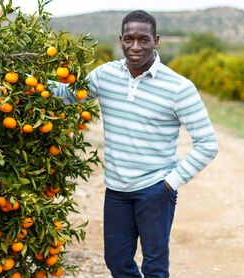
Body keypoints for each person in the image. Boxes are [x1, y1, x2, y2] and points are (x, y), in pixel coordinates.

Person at [52, 10, 219, 278]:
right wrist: (27, 80)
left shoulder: (179, 87)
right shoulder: (105, 75)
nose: (135, 46)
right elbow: (67, 94)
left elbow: (207, 144)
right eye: (129, 39)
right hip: (116, 190)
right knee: (116, 261)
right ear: (121, 40)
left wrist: (170, 183)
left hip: (155, 190)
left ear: (156, 40)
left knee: (154, 266)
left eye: (144, 39)